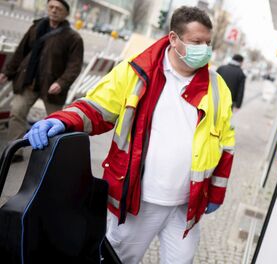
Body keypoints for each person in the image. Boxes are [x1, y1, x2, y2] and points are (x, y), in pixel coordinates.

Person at [24, 6, 235, 264]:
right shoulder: (136, 72)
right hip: (138, 201)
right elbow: (97, 107)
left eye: (207, 42)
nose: (204, 49)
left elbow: (226, 144)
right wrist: (61, 119)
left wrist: (215, 194)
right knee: (117, 260)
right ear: (173, 39)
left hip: (185, 207)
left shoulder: (217, 87)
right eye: (196, 42)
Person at [0, 0, 83, 162]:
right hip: (29, 81)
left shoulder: (73, 38)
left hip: (52, 87)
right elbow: (20, 52)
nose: (53, 11)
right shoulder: (36, 27)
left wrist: (61, 83)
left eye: (58, 8)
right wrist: (7, 72)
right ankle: (15, 152)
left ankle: (54, 156)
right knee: (17, 112)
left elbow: (75, 66)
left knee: (58, 121)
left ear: (66, 13)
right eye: (51, 7)